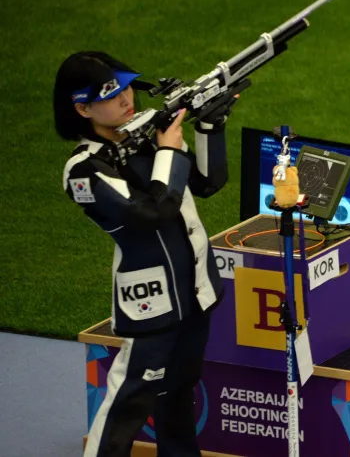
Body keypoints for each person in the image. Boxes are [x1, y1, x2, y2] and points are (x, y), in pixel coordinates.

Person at [55, 51, 234, 457]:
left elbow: (207, 181)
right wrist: (169, 151)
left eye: (126, 86)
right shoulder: (83, 170)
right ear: (82, 109)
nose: (126, 98)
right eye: (111, 94)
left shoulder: (147, 132)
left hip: (196, 288)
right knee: (130, 397)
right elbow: (152, 213)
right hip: (150, 300)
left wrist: (209, 123)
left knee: (180, 389)